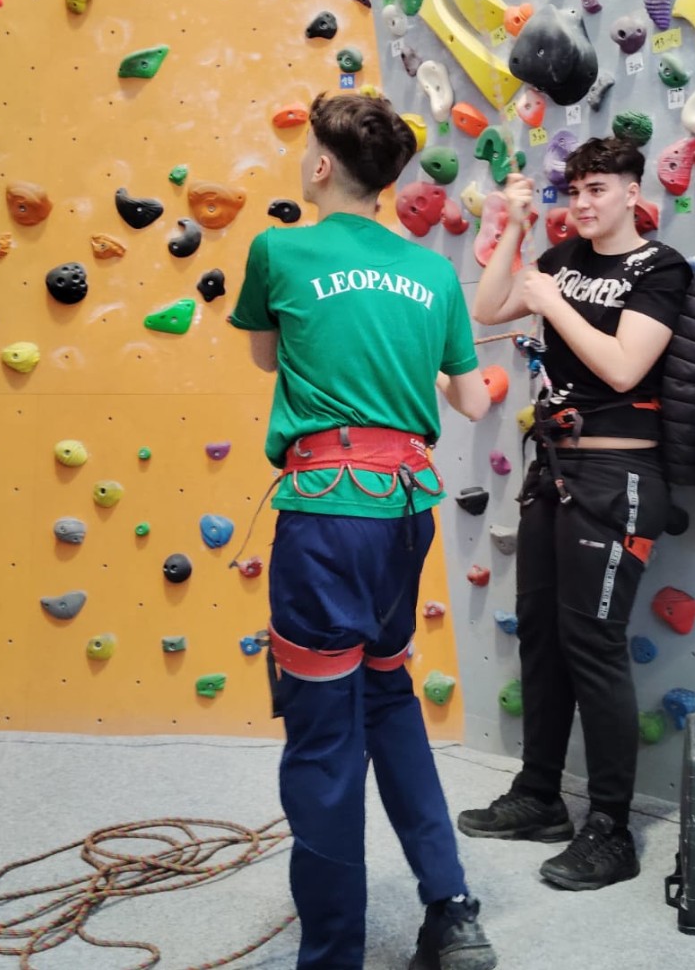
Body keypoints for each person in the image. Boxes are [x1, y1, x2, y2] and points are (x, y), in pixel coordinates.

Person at [229, 91, 498, 970]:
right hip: (405, 515)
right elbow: (469, 396)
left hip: (326, 518)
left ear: (319, 165)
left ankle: (334, 953)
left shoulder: (278, 250)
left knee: (322, 734)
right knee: (388, 698)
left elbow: (268, 355)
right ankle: (451, 907)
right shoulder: (432, 274)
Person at [458, 137, 692, 892]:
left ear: (632, 193)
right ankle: (539, 796)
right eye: (575, 191)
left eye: (598, 189)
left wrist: (551, 299)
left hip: (620, 473)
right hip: (553, 470)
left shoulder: (659, 268)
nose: (584, 203)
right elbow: (487, 307)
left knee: (593, 642)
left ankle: (611, 829)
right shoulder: (559, 258)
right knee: (542, 638)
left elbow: (624, 367)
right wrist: (514, 227)